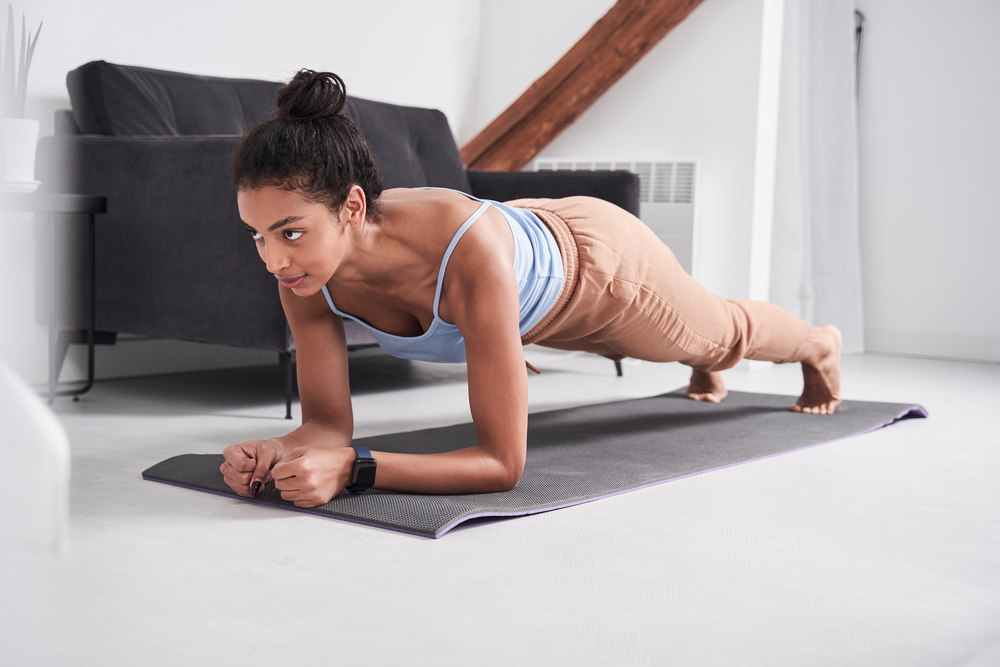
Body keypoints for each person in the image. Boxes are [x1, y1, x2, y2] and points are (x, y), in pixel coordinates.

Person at [220, 70, 842, 508]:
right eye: (258, 237)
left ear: (352, 207)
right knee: (693, 344)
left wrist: (358, 469)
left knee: (717, 331)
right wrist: (274, 451)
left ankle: (817, 345)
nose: (273, 259)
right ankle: (700, 360)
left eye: (291, 232)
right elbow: (326, 424)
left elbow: (502, 464)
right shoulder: (301, 276)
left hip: (603, 271)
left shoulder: (465, 253)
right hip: (528, 259)